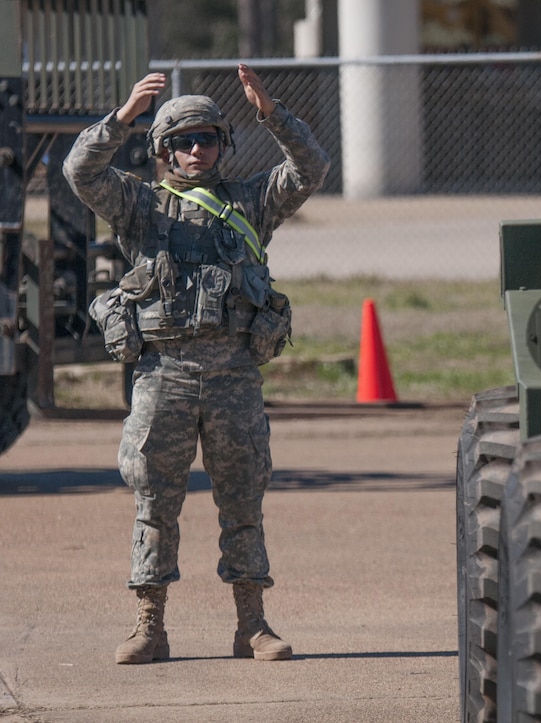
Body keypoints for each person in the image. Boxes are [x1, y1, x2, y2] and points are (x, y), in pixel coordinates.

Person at [63, 65, 330, 664]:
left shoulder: (251, 202)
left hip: (236, 373)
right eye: (182, 140)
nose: (195, 149)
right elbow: (79, 171)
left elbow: (310, 168)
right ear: (162, 149)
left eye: (206, 138)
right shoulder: (138, 205)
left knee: (243, 498)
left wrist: (272, 113)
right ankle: (149, 626)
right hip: (165, 374)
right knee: (155, 501)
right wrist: (123, 118)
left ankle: (252, 626)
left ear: (221, 144)